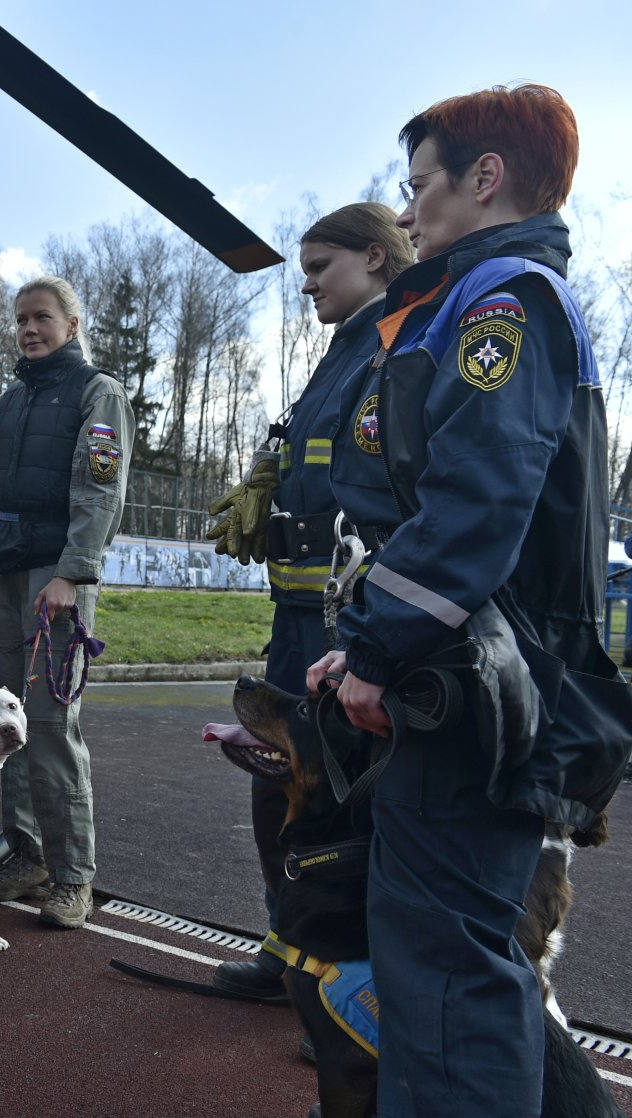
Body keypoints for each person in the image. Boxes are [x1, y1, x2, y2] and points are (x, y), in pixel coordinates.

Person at [306, 85, 632, 1115]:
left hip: (476, 698)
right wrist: (363, 641)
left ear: (483, 178)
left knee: (448, 990)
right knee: (447, 973)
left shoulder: (504, 300)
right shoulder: (471, 298)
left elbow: (476, 500)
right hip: (460, 677)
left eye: (419, 187)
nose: (405, 214)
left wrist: (378, 648)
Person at [204, 203, 414, 1001]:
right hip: (298, 624)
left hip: (351, 627)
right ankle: (293, 949)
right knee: (279, 787)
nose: (309, 288)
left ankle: (354, 983)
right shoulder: (341, 355)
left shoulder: (397, 346)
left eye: (322, 269)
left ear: (374, 256)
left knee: (351, 805)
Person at [0, 276, 135, 929]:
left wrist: (73, 574)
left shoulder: (98, 394)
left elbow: (101, 491)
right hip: (8, 573)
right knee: (4, 725)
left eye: (41, 317)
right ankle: (28, 855)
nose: (29, 329)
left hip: (55, 581)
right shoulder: (8, 404)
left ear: (71, 325)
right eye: (20, 320)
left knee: (48, 726)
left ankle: (74, 878)